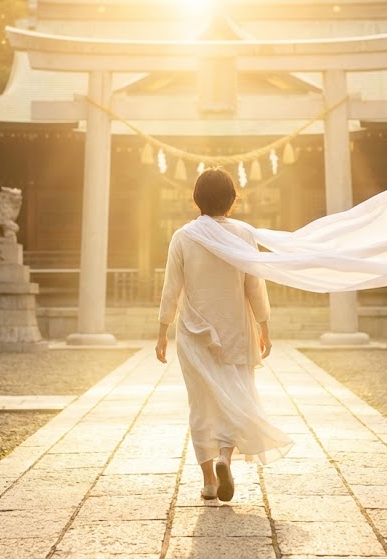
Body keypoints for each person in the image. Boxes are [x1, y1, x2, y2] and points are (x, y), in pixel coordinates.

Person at [155, 167, 294, 502]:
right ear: (232, 199)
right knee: (235, 397)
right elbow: (254, 285)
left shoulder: (183, 236)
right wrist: (264, 325)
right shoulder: (243, 234)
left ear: (196, 199)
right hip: (235, 330)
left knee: (201, 405)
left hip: (194, 333)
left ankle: (209, 482)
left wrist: (162, 331)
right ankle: (225, 459)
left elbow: (171, 289)